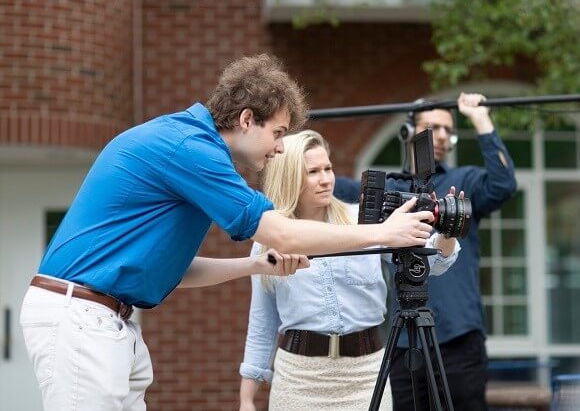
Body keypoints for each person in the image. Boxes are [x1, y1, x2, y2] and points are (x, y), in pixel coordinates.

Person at [19, 54, 437, 411]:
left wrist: (258, 265)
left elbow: (178, 272)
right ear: (246, 120)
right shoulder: (193, 151)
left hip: (110, 320)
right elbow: (285, 235)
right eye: (277, 133)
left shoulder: (186, 143)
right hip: (81, 317)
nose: (278, 148)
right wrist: (383, 233)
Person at [238, 130, 461, 411]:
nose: (326, 178)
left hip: (366, 376)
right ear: (290, 176)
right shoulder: (267, 240)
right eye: (313, 171)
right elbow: (262, 322)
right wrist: (246, 399)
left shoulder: (366, 222)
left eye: (328, 168)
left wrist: (448, 231)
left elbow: (432, 261)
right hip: (298, 379)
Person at [388, 93, 518, 411]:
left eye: (448, 130)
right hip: (403, 341)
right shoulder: (390, 187)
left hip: (459, 340)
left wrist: (480, 117)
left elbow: (503, 184)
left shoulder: (464, 182)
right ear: (409, 133)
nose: (442, 136)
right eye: (432, 128)